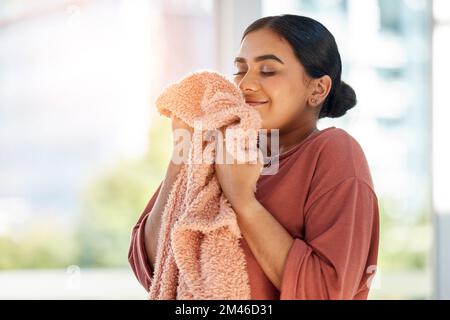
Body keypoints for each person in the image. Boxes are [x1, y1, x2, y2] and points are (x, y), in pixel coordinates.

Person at [128, 14, 379, 300]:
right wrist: (181, 158)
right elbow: (153, 270)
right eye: (240, 69)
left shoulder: (334, 152)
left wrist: (244, 203)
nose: (245, 84)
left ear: (317, 89)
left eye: (268, 70)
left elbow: (326, 292)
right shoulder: (220, 150)